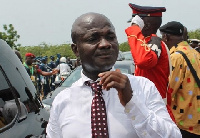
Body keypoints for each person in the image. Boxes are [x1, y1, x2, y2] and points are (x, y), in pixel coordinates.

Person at [46, 12, 181, 138]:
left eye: (110, 37)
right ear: (76, 49)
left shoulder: (143, 87)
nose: (105, 44)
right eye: (93, 39)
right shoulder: (62, 101)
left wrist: (132, 102)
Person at [125, 3, 174, 120]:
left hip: (156, 111)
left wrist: (134, 29)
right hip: (150, 108)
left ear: (145, 25)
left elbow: (143, 61)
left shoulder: (154, 42)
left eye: (137, 24)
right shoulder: (148, 42)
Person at [160, 21, 200, 138]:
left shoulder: (176, 57)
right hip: (196, 121)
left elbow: (169, 90)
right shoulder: (195, 53)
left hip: (183, 122)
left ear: (166, 37)